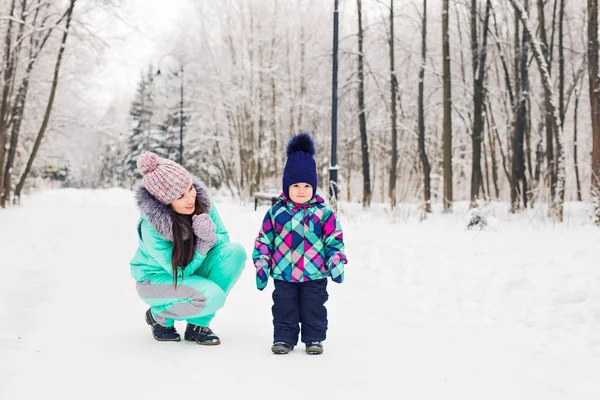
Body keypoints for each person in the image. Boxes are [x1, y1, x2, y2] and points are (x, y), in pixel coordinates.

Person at [130, 151, 246, 344]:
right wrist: (202, 244)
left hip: (189, 269)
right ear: (165, 203)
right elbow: (178, 272)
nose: (190, 198)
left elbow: (223, 239)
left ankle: (198, 325)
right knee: (213, 297)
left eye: (189, 188)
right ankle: (158, 316)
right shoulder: (152, 227)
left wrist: (209, 236)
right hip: (155, 280)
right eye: (180, 196)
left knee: (235, 252)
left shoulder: (201, 203)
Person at [252, 133, 347, 355]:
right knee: (284, 307)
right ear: (286, 187)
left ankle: (314, 338)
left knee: (314, 306)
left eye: (306, 185)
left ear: (314, 186)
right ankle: (284, 338)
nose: (301, 190)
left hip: (315, 273)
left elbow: (334, 239)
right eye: (295, 185)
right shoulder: (276, 213)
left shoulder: (323, 214)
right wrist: (262, 264)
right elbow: (264, 240)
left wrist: (335, 261)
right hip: (284, 273)